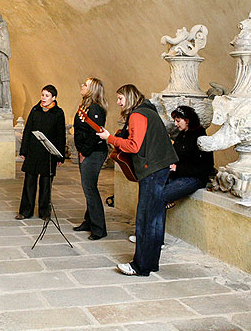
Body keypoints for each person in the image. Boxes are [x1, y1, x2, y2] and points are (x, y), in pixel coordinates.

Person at [97, 84, 177, 276]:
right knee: (155, 218)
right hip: (160, 167)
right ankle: (151, 263)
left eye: (120, 99)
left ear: (129, 97)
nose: (118, 103)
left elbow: (133, 146)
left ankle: (140, 266)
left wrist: (110, 138)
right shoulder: (148, 111)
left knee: (145, 218)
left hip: (152, 170)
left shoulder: (138, 115)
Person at [16, 85, 66, 221]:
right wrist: (24, 150)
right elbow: (27, 130)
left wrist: (60, 156)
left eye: (47, 96)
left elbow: (61, 136)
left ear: (53, 98)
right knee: (29, 182)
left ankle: (44, 212)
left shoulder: (58, 113)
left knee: (45, 184)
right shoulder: (35, 109)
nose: (43, 98)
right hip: (33, 152)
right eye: (42, 95)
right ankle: (25, 211)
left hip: (48, 154)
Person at [72, 77, 109, 240]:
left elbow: (95, 134)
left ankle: (99, 228)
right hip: (87, 151)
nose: (82, 85)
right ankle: (89, 221)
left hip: (93, 152)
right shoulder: (86, 106)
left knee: (90, 189)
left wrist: (84, 152)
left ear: (92, 89)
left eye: (85, 85)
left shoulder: (95, 109)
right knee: (88, 188)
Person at [164, 105, 215, 209]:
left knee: (162, 195)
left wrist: (177, 168)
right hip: (178, 175)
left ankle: (155, 225)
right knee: (153, 189)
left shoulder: (200, 138)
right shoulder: (181, 135)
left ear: (187, 120)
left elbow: (205, 166)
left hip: (195, 178)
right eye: (175, 121)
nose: (175, 124)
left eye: (178, 121)